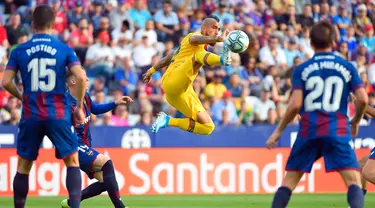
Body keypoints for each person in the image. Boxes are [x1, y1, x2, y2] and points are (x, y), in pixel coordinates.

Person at [265, 21, 368, 208]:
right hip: (337, 130)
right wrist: (355, 121)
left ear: (311, 43)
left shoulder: (302, 69)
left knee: (289, 182)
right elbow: (362, 99)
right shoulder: (347, 67)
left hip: (309, 130)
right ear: (334, 42)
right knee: (353, 181)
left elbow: (295, 105)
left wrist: (279, 130)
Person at [2, 5, 87, 208]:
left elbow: (5, 82)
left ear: (32, 25)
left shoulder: (19, 50)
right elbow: (81, 77)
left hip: (31, 113)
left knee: (23, 166)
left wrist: (22, 96)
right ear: (52, 26)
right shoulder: (64, 49)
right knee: (72, 162)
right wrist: (79, 107)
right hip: (57, 113)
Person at [142, 15, 232, 135]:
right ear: (204, 28)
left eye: (219, 30)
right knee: (198, 55)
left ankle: (168, 120)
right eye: (214, 28)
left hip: (180, 93)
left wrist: (151, 71)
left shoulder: (188, 47)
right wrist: (217, 39)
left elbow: (169, 57)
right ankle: (222, 59)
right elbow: (194, 39)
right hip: (172, 80)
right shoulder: (192, 37)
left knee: (208, 127)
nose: (217, 32)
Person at [61, 69, 132, 208]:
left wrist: (115, 103)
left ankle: (70, 203)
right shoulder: (65, 104)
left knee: (106, 182)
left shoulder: (85, 96)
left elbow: (94, 108)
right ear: (73, 81)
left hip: (85, 144)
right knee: (107, 163)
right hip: (73, 146)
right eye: (84, 77)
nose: (88, 80)